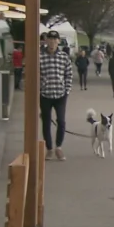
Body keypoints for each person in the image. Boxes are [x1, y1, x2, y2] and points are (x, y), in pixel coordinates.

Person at [40, 30, 73, 161]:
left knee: (61, 121)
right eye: (50, 39)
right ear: (46, 41)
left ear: (58, 41)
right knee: (46, 122)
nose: (52, 42)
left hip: (60, 94)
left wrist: (67, 90)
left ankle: (58, 147)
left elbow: (68, 74)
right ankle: (49, 149)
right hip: (45, 94)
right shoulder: (40, 56)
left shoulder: (63, 57)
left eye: (55, 40)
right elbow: (35, 74)